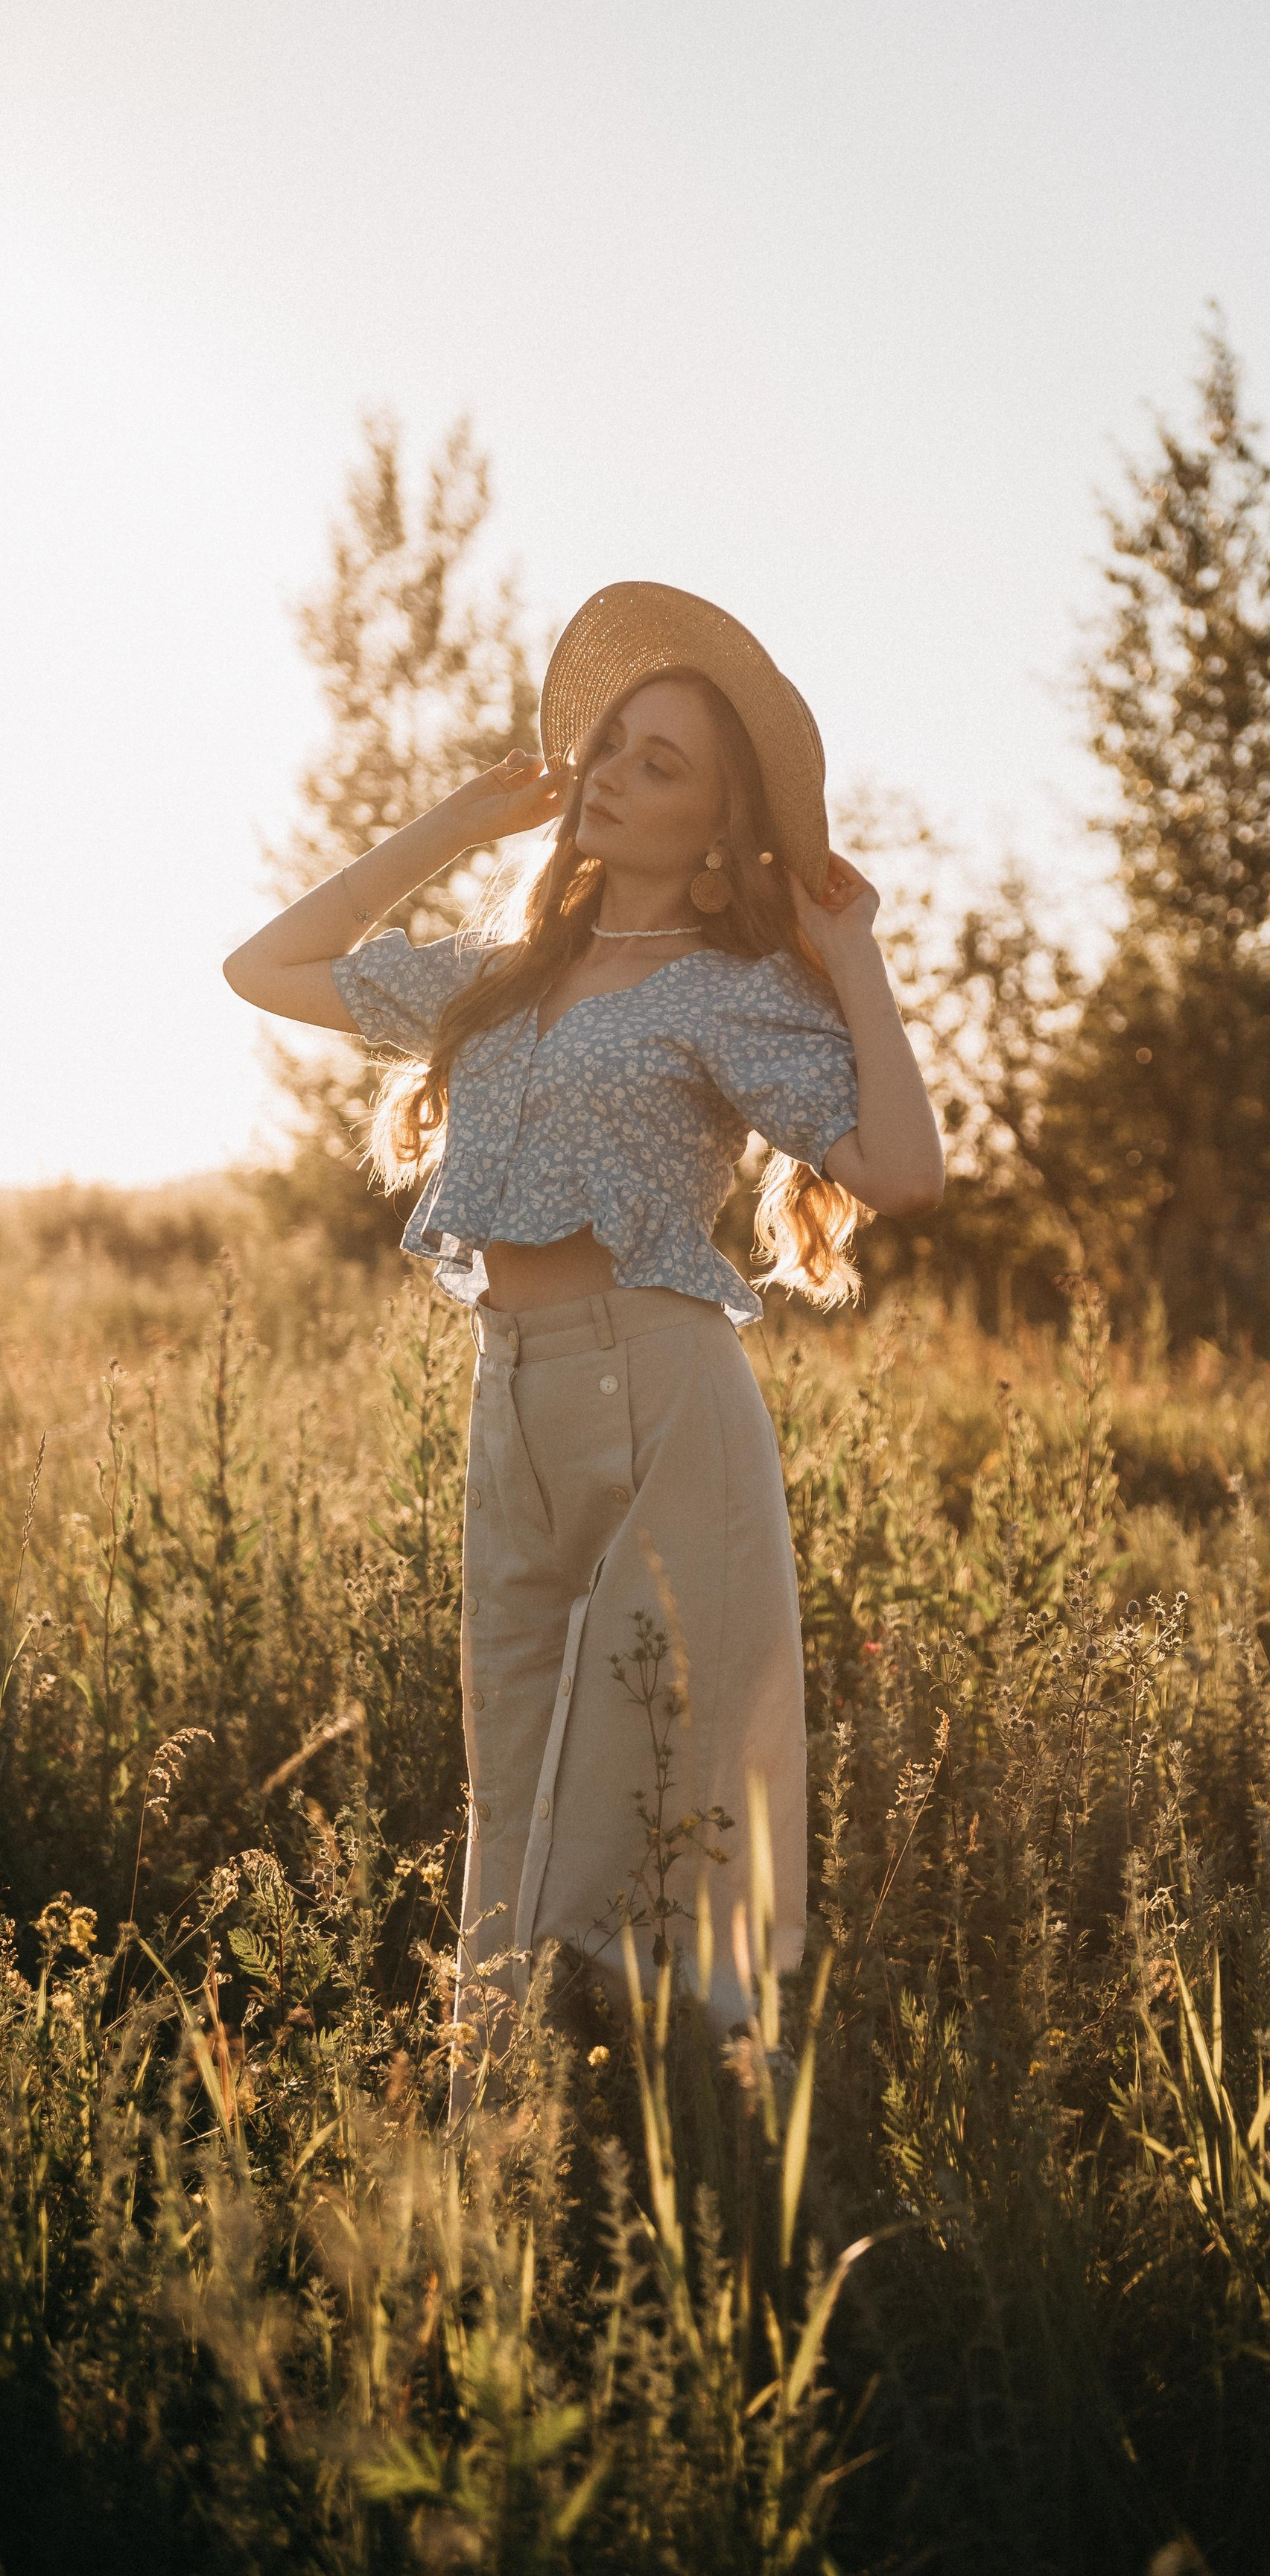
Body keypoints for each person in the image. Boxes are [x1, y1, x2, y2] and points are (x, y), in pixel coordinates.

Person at [223, 581, 944, 2108]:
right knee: (514, 1794)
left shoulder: (736, 991)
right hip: (516, 1399)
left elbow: (899, 1172)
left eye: (658, 762)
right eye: (611, 745)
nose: (611, 772)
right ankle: (508, 2134)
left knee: (635, 1803)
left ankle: (697, 2126)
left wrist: (854, 953)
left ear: (719, 824)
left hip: (666, 1398)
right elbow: (265, 969)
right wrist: (453, 826)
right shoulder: (499, 973)